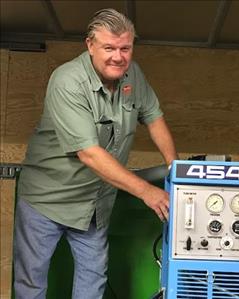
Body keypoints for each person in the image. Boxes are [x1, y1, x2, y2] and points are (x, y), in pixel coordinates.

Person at [14, 8, 178, 299]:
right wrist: (146, 191)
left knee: (93, 282)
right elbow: (89, 154)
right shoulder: (68, 81)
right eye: (109, 47)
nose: (118, 56)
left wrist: (176, 169)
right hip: (47, 200)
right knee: (31, 284)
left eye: (125, 48)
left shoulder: (133, 75)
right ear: (90, 45)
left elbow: (154, 117)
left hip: (93, 205)